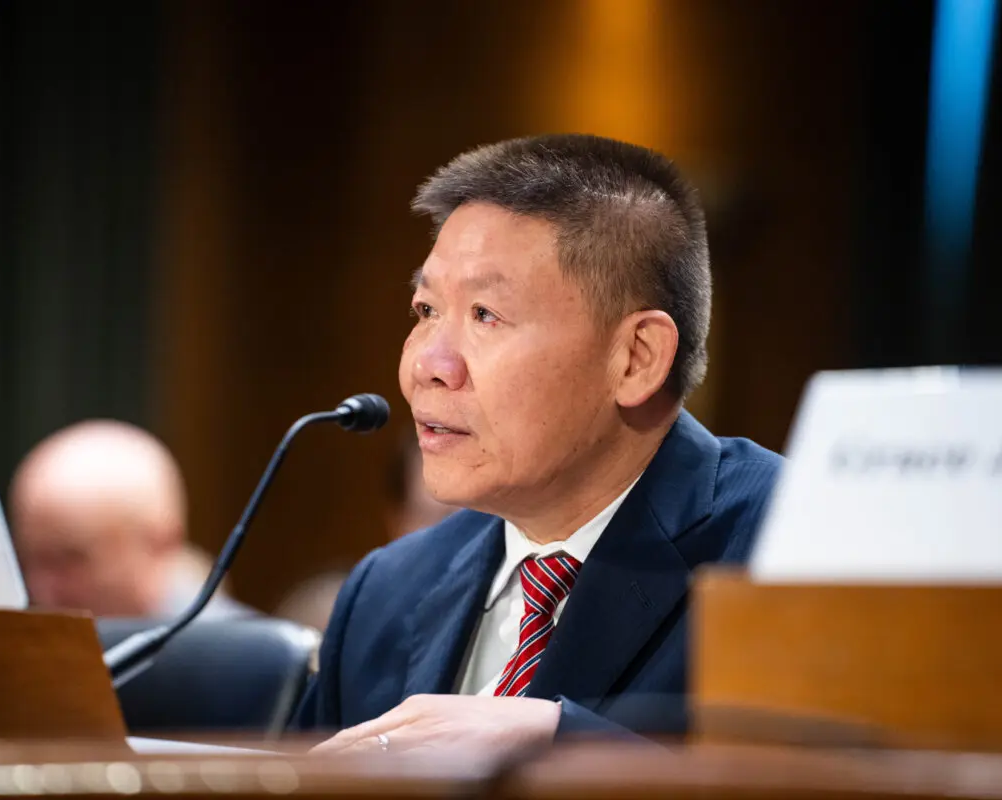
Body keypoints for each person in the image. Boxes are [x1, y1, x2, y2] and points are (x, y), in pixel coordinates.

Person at [290, 134, 782, 753]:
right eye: (425, 310)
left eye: (485, 315)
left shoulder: (791, 550)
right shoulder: (387, 590)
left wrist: (558, 745)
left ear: (636, 358)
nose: (428, 365)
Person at [8, 419, 249, 620]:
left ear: (161, 543)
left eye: (70, 560)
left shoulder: (250, 667)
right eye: (27, 561)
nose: (41, 590)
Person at [273, 432, 455, 631]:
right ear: (397, 521)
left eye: (476, 519)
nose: (461, 533)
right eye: (441, 517)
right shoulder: (339, 615)